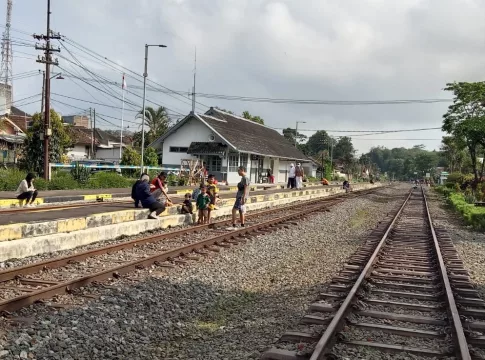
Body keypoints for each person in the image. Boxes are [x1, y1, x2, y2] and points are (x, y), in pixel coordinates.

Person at [227, 166, 250, 230]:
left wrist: (243, 197)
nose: (238, 172)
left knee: (234, 210)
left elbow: (246, 188)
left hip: (241, 196)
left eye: (238, 170)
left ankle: (234, 225)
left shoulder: (245, 178)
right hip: (241, 196)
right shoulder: (243, 178)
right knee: (241, 211)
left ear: (242, 170)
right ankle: (242, 225)